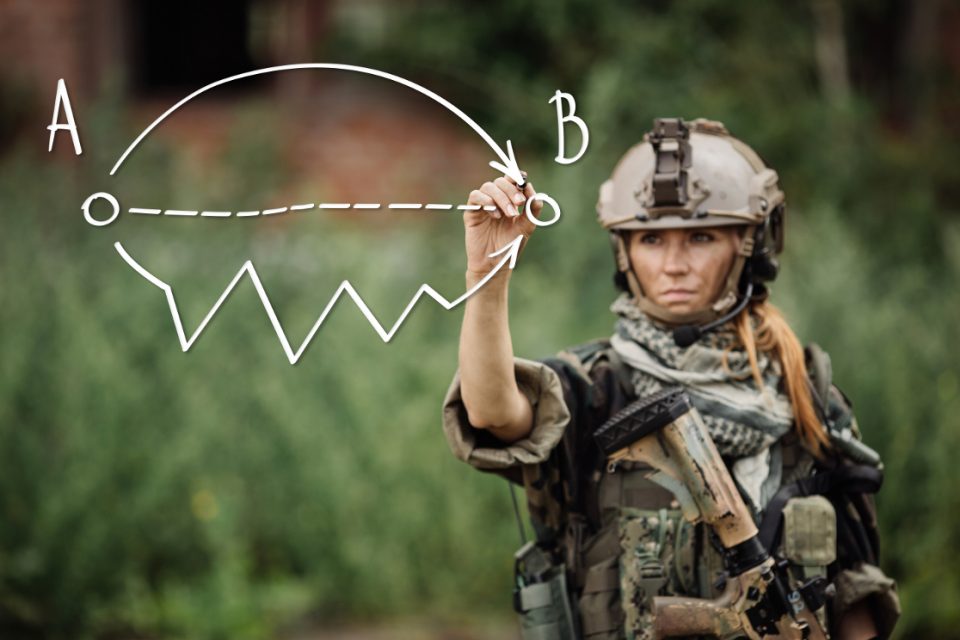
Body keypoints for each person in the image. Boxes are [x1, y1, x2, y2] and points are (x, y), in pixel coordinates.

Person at [442, 118, 900, 639]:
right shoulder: (594, 388)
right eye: (652, 240)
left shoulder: (805, 392)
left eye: (701, 237)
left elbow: (857, 585)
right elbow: (492, 411)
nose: (674, 265)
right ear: (625, 252)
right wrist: (487, 275)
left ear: (750, 245)